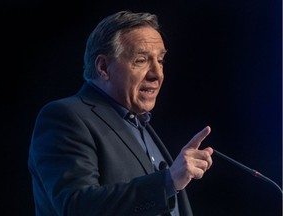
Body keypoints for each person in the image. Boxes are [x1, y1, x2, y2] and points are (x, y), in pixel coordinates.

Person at [28, 10, 213, 216]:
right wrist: (168, 181)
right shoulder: (65, 117)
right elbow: (77, 206)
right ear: (103, 67)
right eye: (141, 60)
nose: (157, 74)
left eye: (160, 61)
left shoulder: (141, 124)